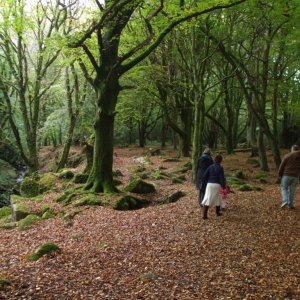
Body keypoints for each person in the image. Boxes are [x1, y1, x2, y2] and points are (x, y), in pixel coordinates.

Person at [201, 154, 226, 219]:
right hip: (217, 185)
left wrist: (208, 181)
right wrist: (223, 186)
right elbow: (222, 178)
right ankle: (217, 213)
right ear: (220, 161)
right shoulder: (220, 168)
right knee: (218, 198)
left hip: (209, 184)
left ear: (215, 160)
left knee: (208, 198)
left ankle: (204, 215)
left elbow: (204, 175)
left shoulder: (210, 167)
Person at [278, 145, 300, 209]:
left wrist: (279, 175)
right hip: (295, 176)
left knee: (284, 188)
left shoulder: (288, 155)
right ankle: (290, 205)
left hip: (286, 175)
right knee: (292, 191)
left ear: (292, 149)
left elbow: (281, 166)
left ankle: (285, 200)